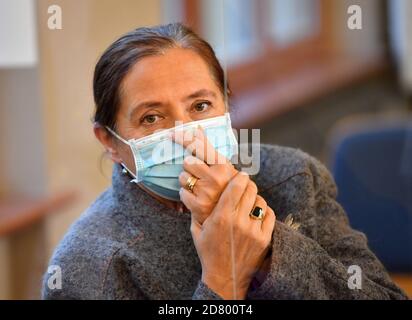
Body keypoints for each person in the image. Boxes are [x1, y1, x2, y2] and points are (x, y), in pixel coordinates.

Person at [42, 23, 407, 300]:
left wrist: (267, 246)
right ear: (110, 141)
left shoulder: (296, 178)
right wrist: (222, 282)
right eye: (152, 118)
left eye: (201, 106)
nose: (187, 135)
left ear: (226, 106)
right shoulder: (86, 264)